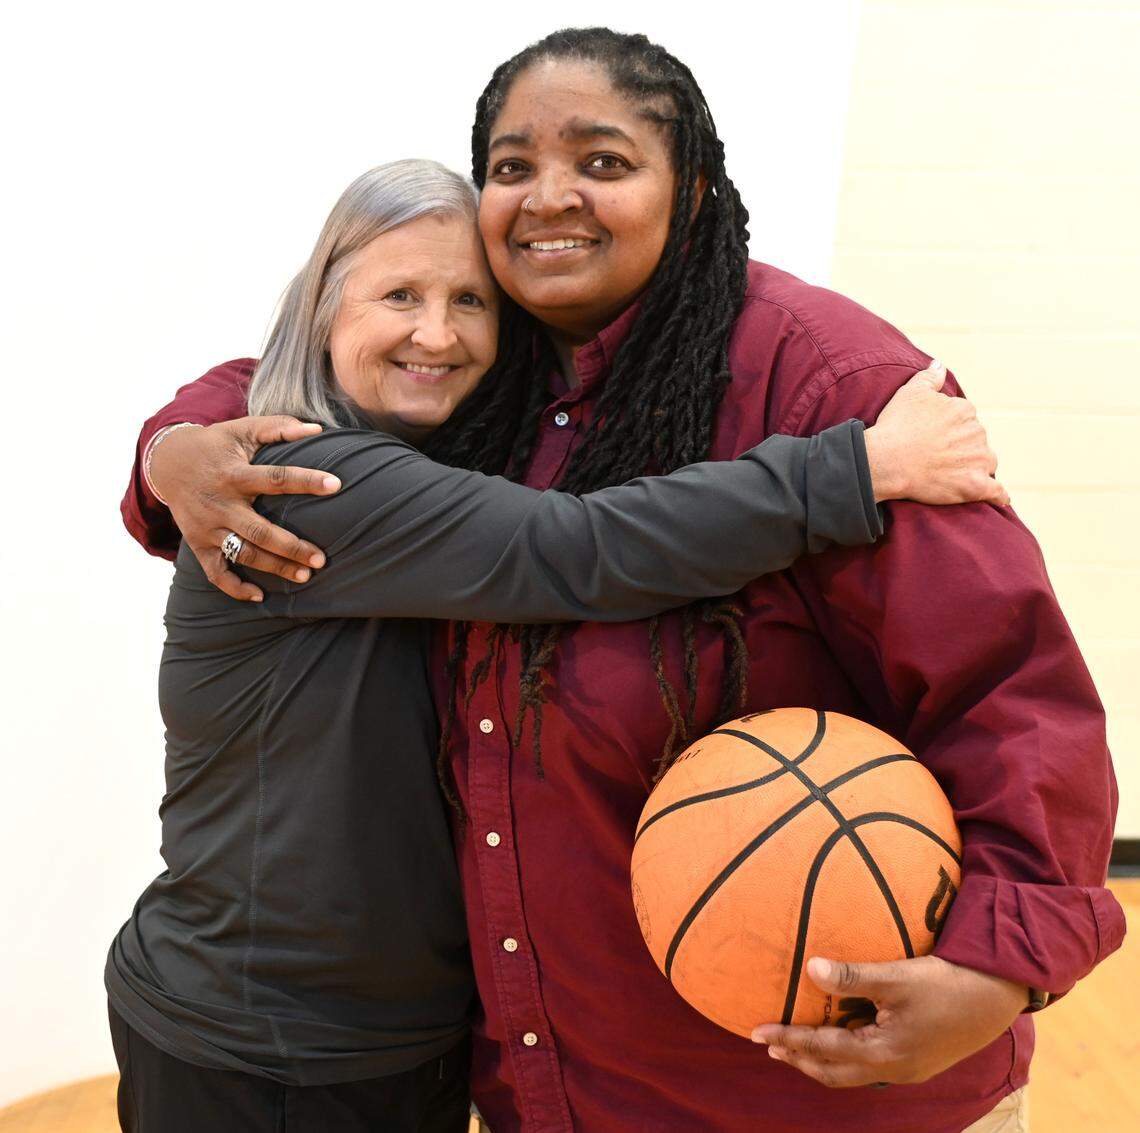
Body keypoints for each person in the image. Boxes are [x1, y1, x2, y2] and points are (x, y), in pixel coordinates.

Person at [120, 28, 1124, 1133]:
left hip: (800, 1095)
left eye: (603, 161)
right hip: (524, 1081)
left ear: (691, 187)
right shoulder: (471, 397)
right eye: (512, 168)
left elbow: (1015, 695)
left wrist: (997, 962)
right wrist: (172, 448)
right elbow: (552, 531)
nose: (550, 197)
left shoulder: (835, 385)